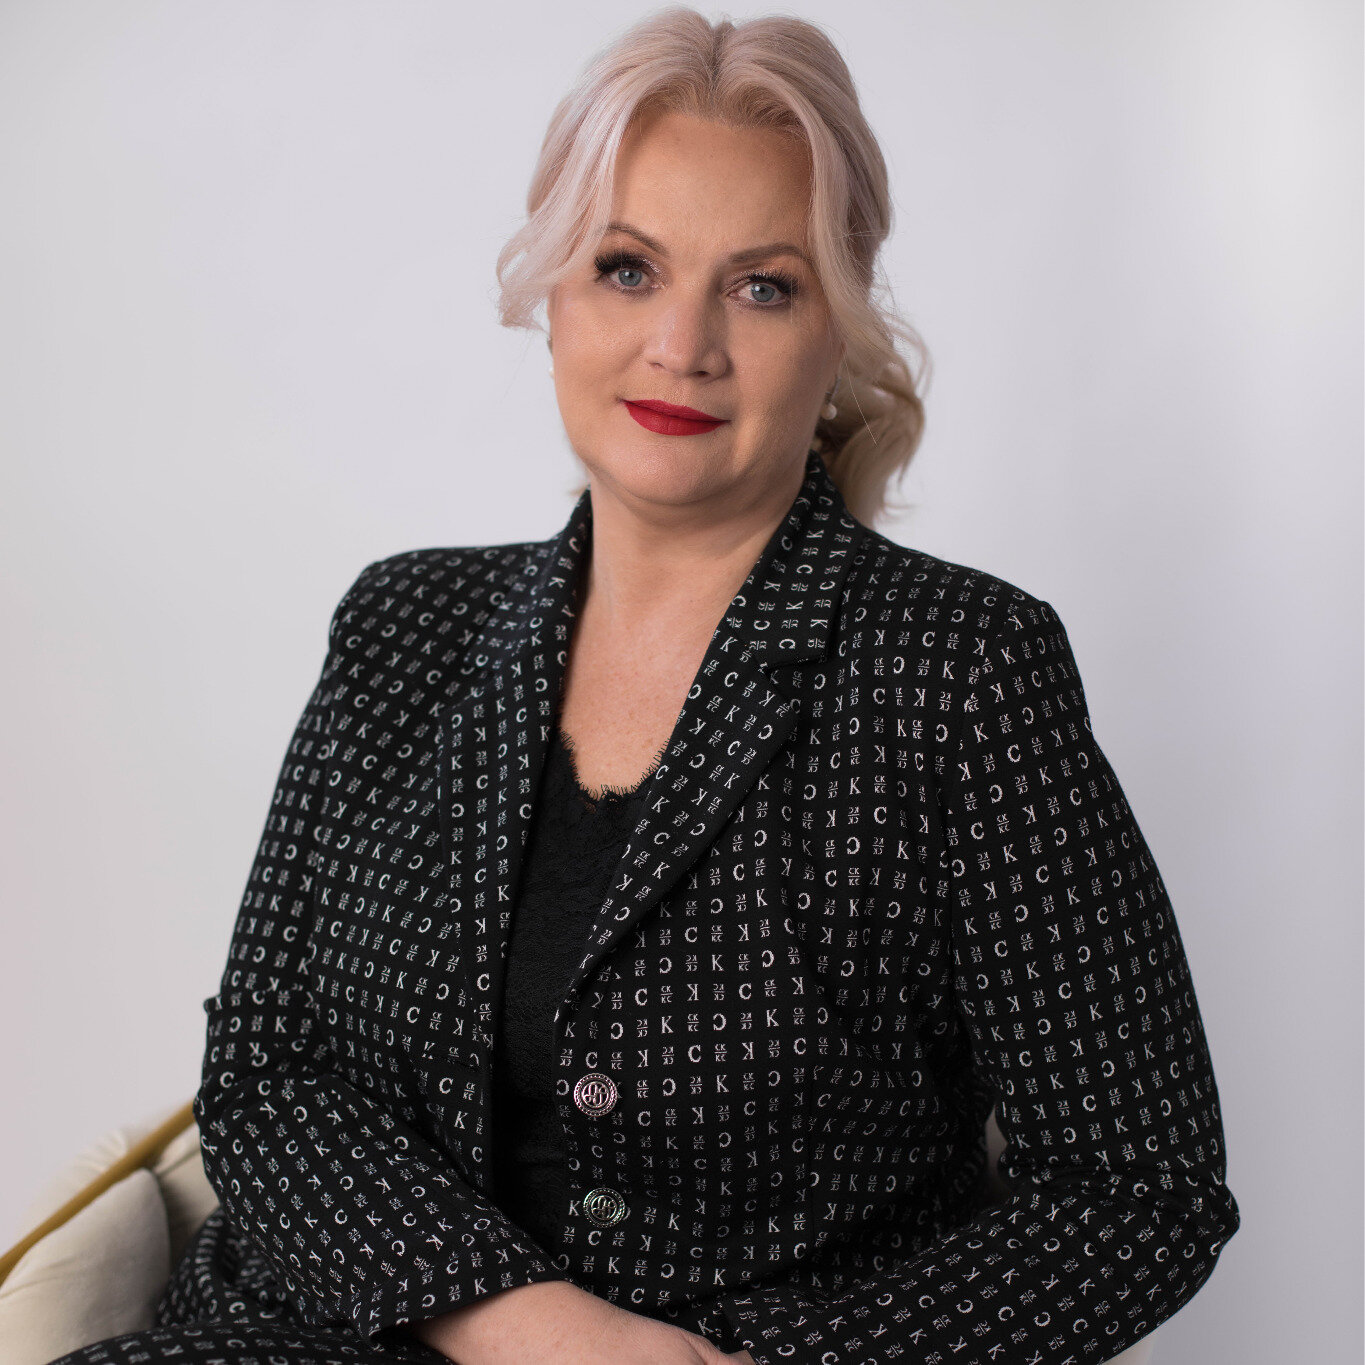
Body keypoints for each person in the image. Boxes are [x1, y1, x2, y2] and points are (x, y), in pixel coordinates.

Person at [53, 8, 1240, 1365]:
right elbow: (269, 1068)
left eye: (762, 286)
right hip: (319, 1338)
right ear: (550, 291)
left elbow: (1136, 1187)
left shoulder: (961, 671)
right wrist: (536, 1330)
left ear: (840, 328)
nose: (682, 344)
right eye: (627, 268)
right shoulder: (403, 627)